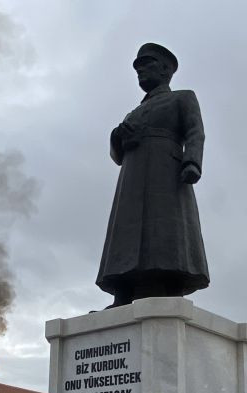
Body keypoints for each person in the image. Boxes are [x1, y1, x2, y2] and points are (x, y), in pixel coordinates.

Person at [97, 43, 209, 308]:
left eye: (147, 65)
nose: (140, 71)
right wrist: (119, 135)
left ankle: (157, 283)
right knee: (126, 232)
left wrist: (192, 161)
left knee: (162, 231)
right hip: (132, 175)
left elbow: (195, 131)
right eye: (137, 68)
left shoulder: (182, 97)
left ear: (166, 70)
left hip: (165, 172)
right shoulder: (133, 113)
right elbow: (117, 155)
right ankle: (122, 290)